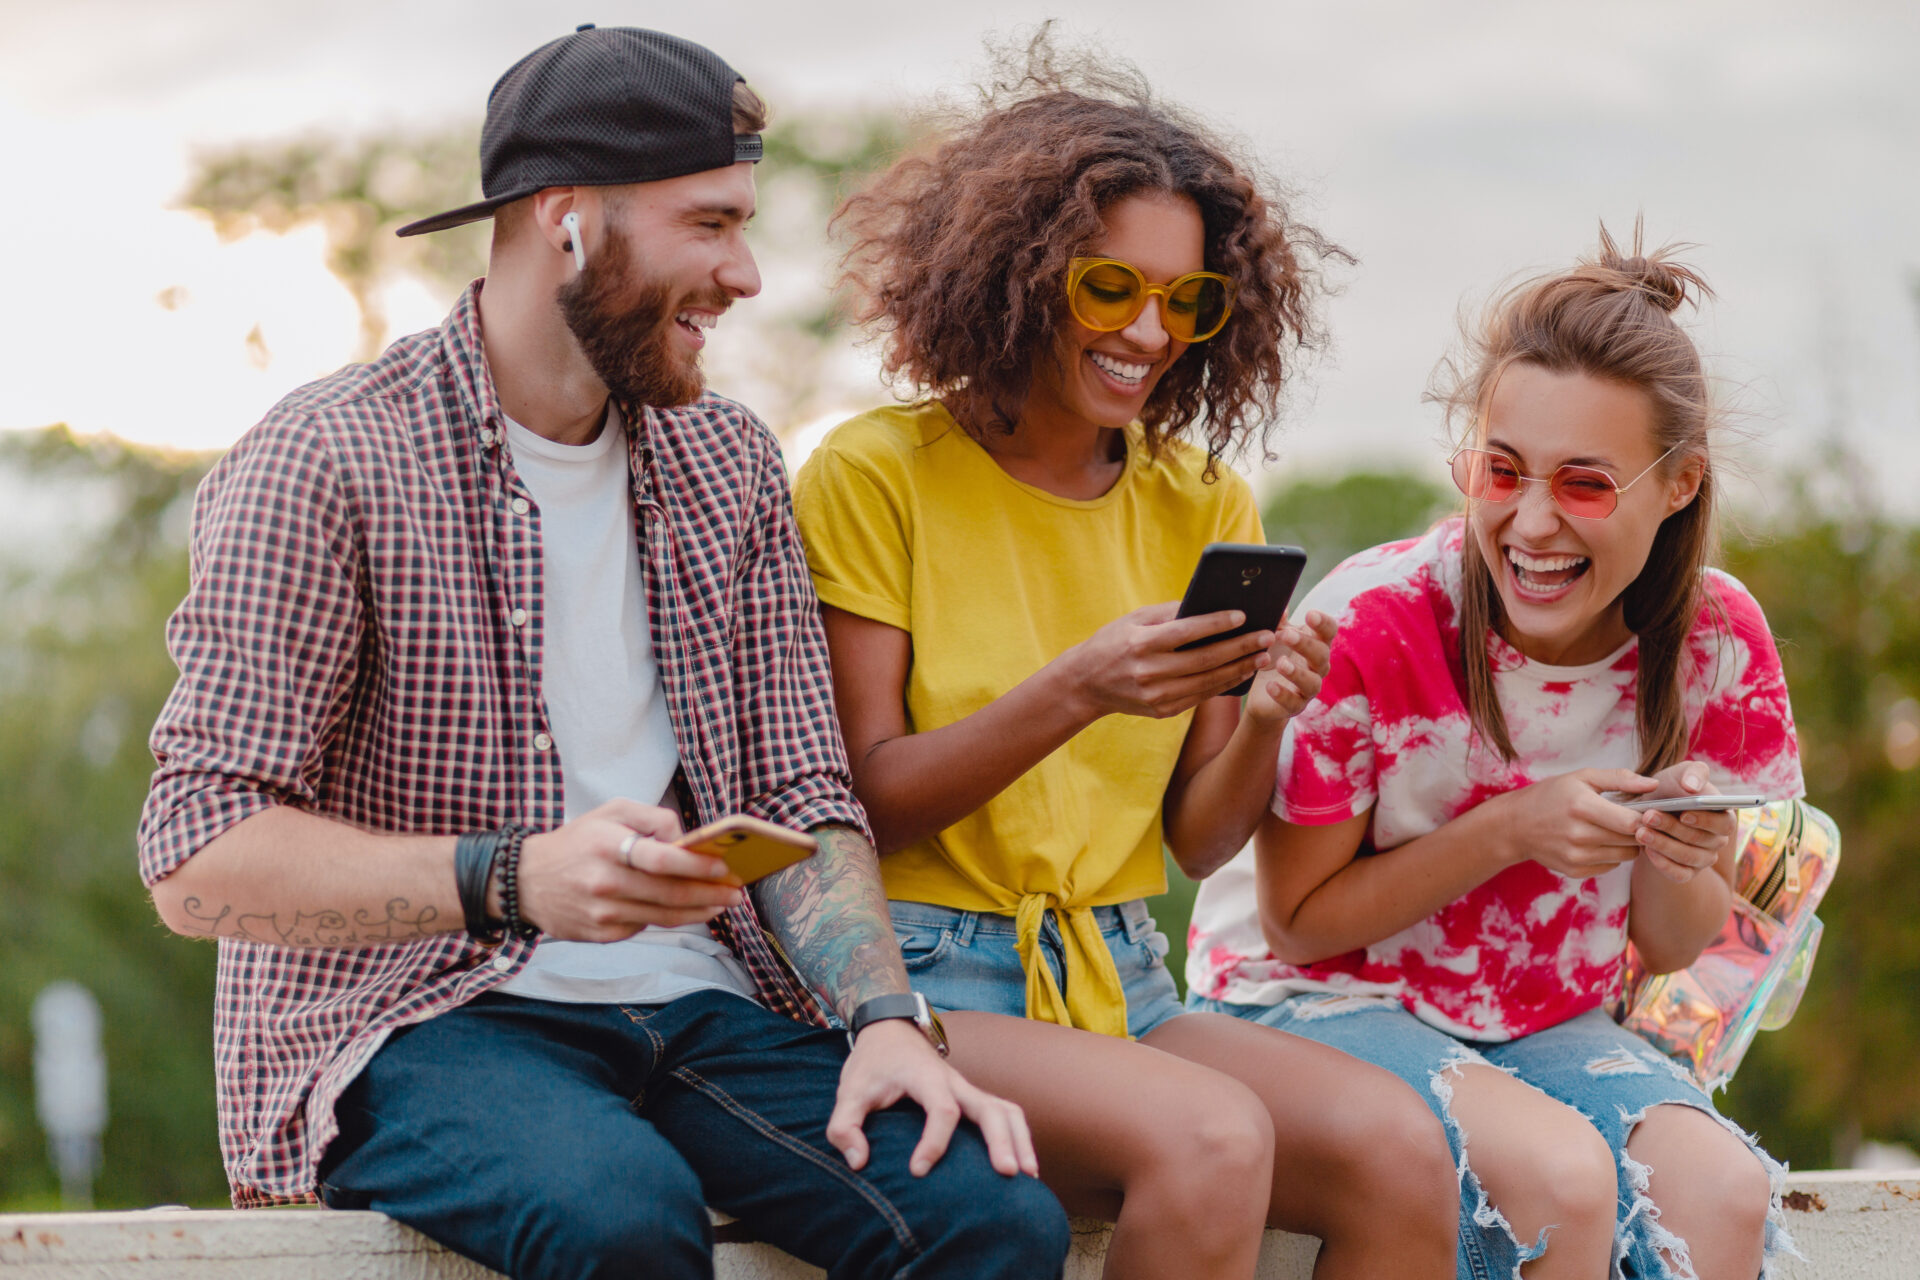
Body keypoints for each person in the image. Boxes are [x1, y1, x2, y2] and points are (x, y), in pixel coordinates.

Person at [136, 26, 1068, 1280]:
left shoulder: (729, 460)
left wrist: (888, 1018)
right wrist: (514, 877)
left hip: (704, 1004)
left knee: (991, 1213)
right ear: (567, 218)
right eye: (710, 224)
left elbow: (804, 790)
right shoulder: (327, 459)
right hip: (419, 1014)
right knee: (617, 1213)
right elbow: (194, 858)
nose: (744, 274)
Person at [792, 50, 1459, 1280]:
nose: (1148, 333)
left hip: (1121, 976)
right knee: (1212, 1136)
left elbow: (1200, 840)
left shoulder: (1203, 499)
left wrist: (1265, 715)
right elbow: (861, 801)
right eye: (1109, 288)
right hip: (926, 979)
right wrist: (1077, 688)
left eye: (1184, 301)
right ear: (1017, 275)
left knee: (1402, 1147)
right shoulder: (874, 472)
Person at [1185, 226, 1802, 1280]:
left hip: (1538, 1019)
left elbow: (1670, 944)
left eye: (1586, 485)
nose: (1532, 522)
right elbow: (1296, 923)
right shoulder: (1374, 618)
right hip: (1310, 1002)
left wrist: (1678, 851)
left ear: (1680, 483)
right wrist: (1514, 828)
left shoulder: (1718, 641)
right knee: (1559, 1177)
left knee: (1722, 1189)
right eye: (1502, 470)